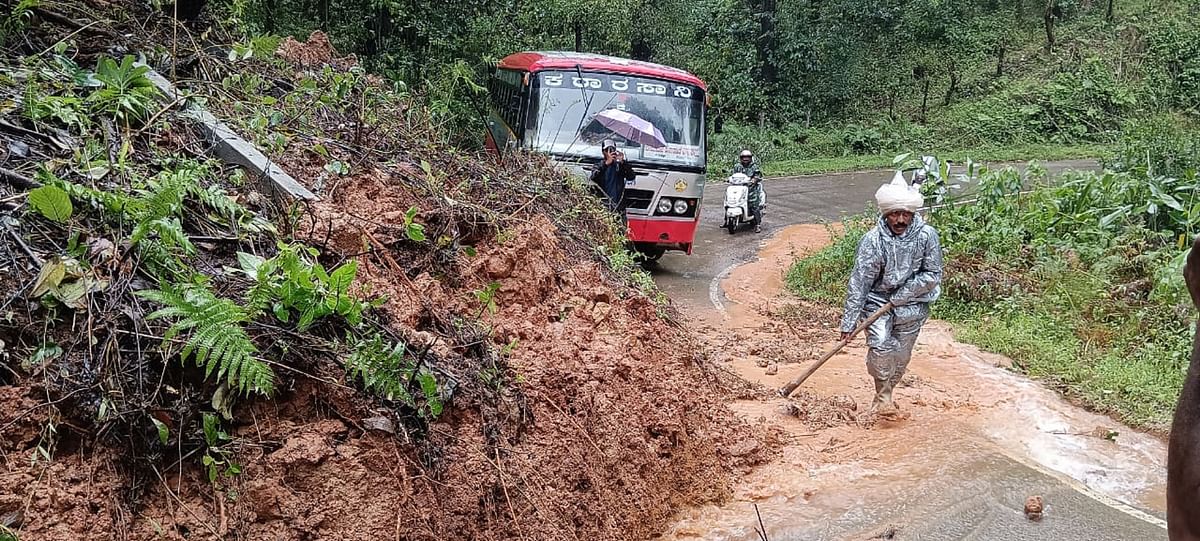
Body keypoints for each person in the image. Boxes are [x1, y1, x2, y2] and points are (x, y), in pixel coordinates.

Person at [839, 171, 943, 414]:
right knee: (881, 346)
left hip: (914, 303)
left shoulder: (927, 236)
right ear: (886, 215)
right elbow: (860, 283)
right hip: (877, 301)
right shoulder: (873, 241)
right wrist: (849, 321)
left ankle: (886, 394)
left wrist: (903, 295)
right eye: (895, 214)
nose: (900, 220)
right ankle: (883, 397)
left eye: (905, 214)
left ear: (912, 214)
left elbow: (932, 274)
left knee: (901, 355)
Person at [590, 139, 636, 214]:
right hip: (603, 208)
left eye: (612, 149)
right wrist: (606, 164)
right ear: (603, 152)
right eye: (607, 150)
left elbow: (631, 177)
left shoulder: (620, 165)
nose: (610, 152)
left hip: (619, 208)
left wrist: (623, 162)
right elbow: (594, 178)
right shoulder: (599, 165)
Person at [732, 149, 765, 233]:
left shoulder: (754, 166)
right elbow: (733, 175)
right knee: (731, 201)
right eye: (744, 157)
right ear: (741, 158)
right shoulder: (737, 166)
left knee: (754, 206)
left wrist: (754, 179)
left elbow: (758, 175)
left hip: (751, 189)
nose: (745, 159)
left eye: (747, 157)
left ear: (750, 158)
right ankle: (726, 221)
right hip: (739, 188)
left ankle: (758, 224)